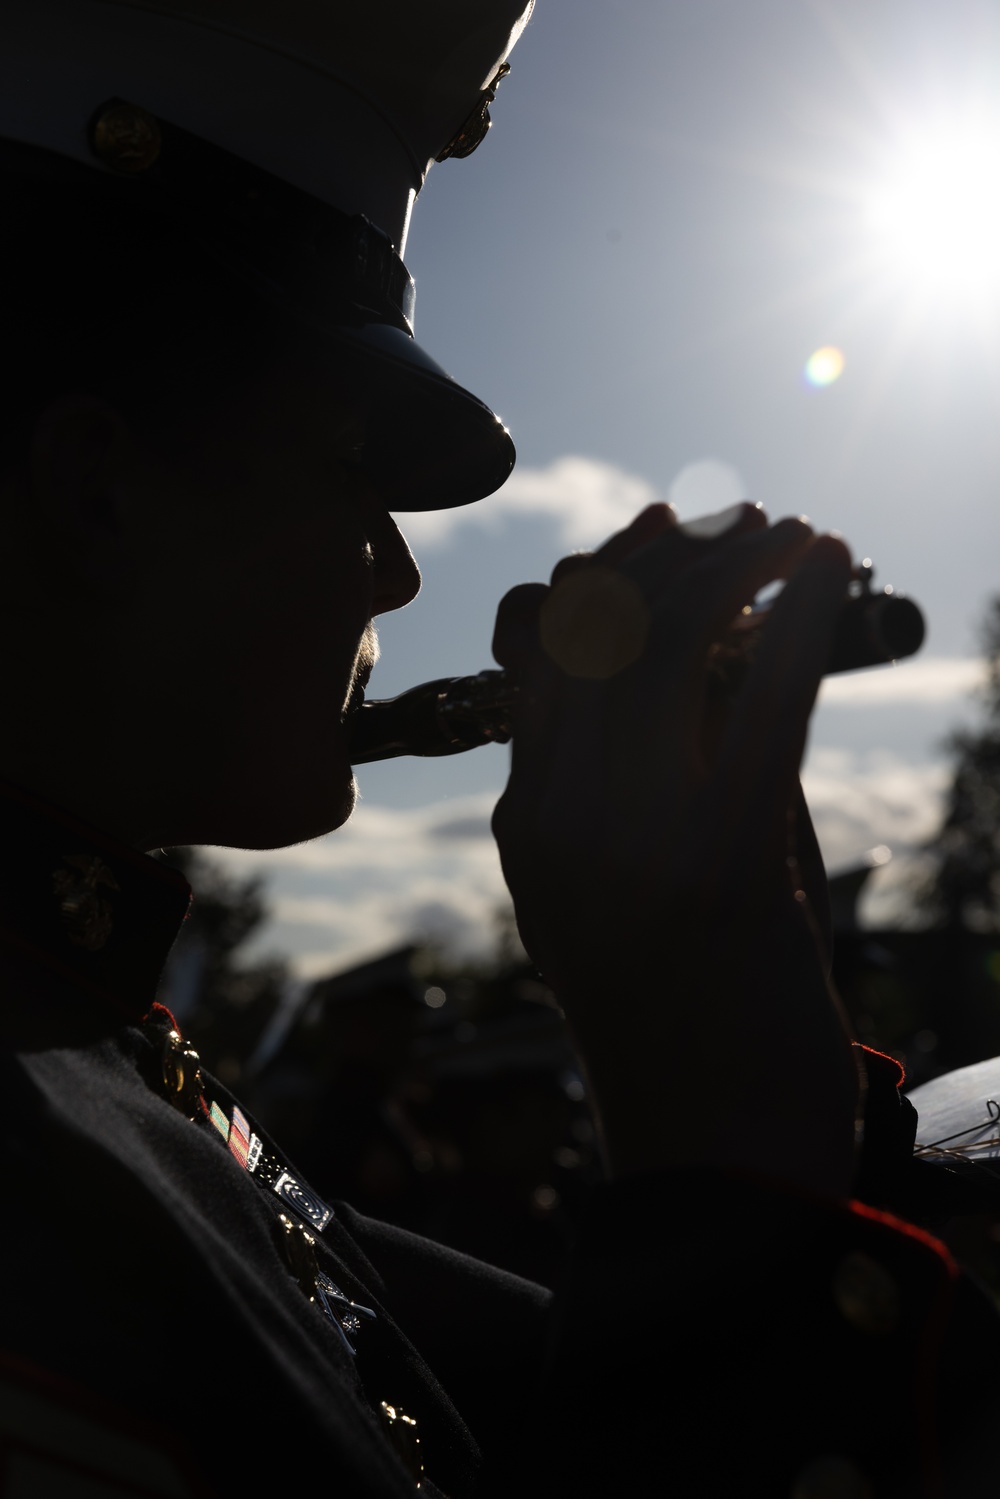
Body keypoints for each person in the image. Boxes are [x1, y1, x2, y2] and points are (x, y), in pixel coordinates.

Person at [0, 2, 998, 1495]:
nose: (398, 575)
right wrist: (706, 1101)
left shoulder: (107, 1073)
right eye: (355, 473)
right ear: (97, 494)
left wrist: (754, 1101)